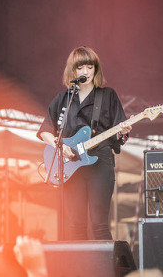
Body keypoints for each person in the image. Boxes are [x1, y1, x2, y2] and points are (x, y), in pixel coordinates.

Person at [37, 46, 132, 240]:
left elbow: (119, 136)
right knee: (75, 225)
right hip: (71, 166)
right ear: (73, 70)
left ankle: (105, 269)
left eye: (90, 67)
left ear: (96, 70)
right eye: (81, 68)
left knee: (99, 225)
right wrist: (60, 147)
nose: (86, 72)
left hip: (100, 164)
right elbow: (45, 131)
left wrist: (123, 132)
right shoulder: (63, 99)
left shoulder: (107, 96)